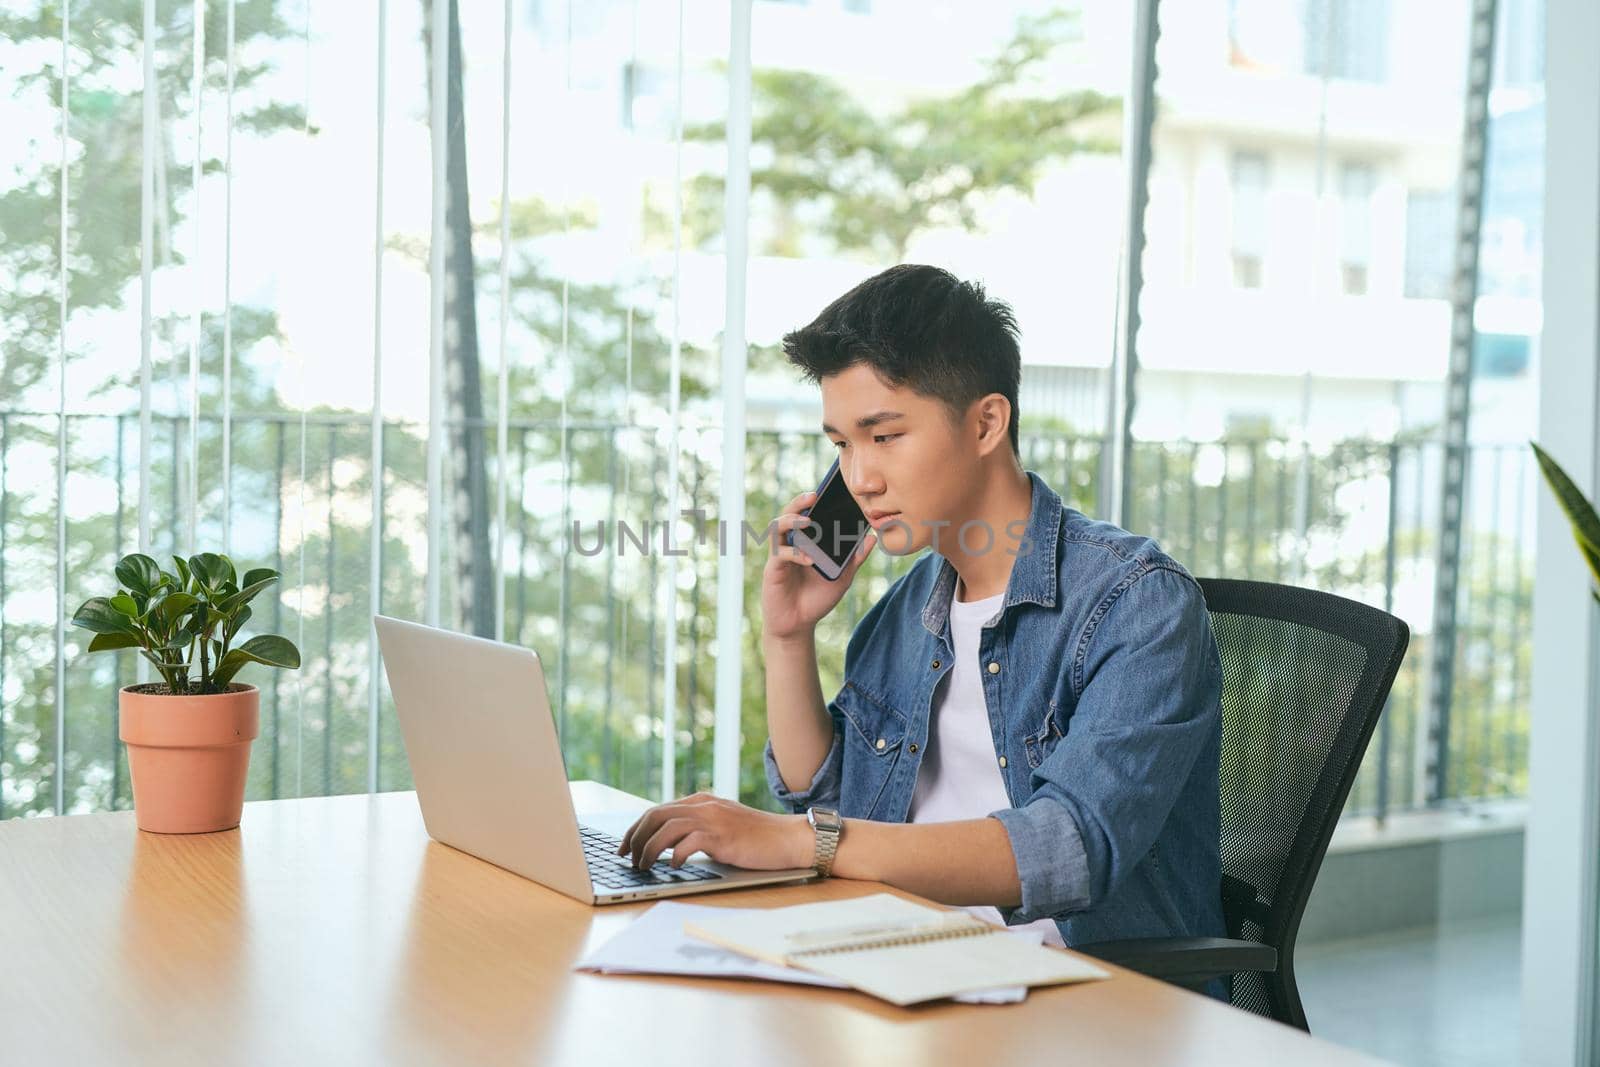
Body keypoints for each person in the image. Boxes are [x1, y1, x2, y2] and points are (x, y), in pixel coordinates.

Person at [619, 264, 1227, 1000]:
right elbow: (832, 797)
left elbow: (1068, 847)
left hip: (1079, 994)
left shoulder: (1138, 604)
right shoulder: (910, 609)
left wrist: (804, 840)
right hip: (905, 954)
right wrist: (787, 637)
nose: (861, 476)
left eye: (884, 435)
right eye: (843, 443)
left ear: (985, 423)